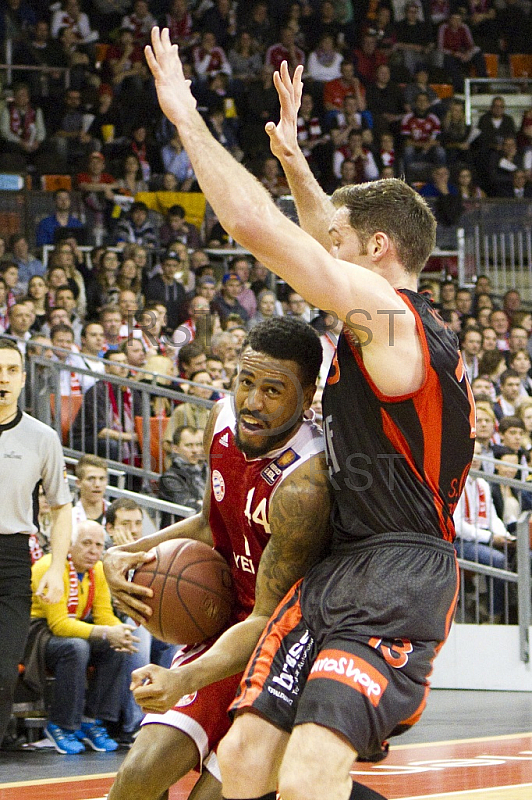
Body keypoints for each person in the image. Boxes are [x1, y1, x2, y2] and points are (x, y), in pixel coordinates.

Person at [141, 31, 475, 800]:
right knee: (249, 764)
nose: (323, 250)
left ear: (378, 249)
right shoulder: (392, 316)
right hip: (340, 567)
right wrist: (293, 160)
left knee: (310, 773)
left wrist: (187, 116)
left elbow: (258, 231)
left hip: (398, 568)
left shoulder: (392, 321)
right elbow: (330, 227)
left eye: (338, 244)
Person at [103, 316, 330, 800]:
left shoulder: (305, 483)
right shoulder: (221, 420)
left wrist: (179, 677)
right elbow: (210, 522)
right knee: (137, 780)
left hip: (287, 647)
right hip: (224, 622)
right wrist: (126, 552)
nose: (252, 402)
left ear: (308, 395)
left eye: (272, 390)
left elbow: (269, 618)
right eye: (246, 382)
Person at [0, 337, 72, 745]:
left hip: (11, 559)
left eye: (12, 370)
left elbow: (61, 507)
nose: (3, 379)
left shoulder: (42, 437)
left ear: (24, 378)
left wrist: (58, 567)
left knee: (3, 672)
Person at [28, 520, 138, 754]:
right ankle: (60, 725)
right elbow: (59, 626)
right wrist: (108, 632)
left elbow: (104, 615)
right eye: (86, 543)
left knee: (115, 646)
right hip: (38, 634)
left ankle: (92, 720)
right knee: (76, 648)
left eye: (99, 545)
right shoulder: (48, 567)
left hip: (71, 629)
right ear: (68, 545)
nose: (93, 551)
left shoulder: (97, 570)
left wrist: (123, 632)